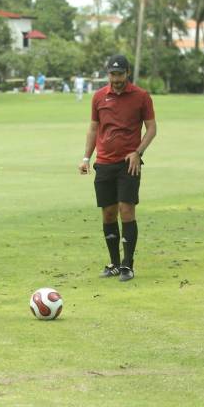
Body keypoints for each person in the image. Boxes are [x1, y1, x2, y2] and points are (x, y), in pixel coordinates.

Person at [78, 54, 157, 282]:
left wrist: (138, 152)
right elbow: (93, 129)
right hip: (104, 162)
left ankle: (127, 265)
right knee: (108, 212)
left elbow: (151, 128)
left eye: (120, 74)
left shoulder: (141, 96)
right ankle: (113, 263)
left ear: (127, 73)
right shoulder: (99, 97)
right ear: (108, 74)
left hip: (128, 164)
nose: (116, 78)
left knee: (126, 210)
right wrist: (85, 157)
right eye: (112, 74)